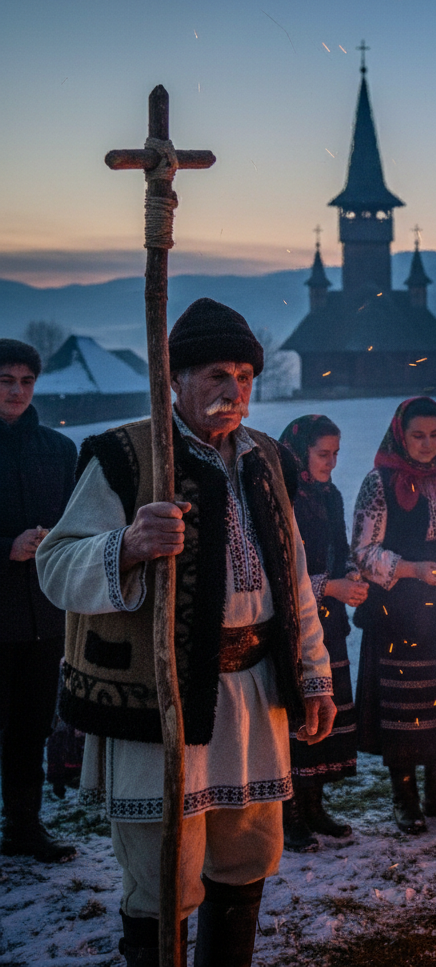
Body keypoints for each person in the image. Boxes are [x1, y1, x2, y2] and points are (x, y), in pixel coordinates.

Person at [36, 299, 335, 967]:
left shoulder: (269, 459)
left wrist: (314, 676)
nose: (235, 391)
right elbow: (55, 566)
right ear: (175, 379)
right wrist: (128, 544)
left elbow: (294, 579)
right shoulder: (125, 455)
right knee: (165, 875)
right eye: (216, 377)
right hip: (161, 704)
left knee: (247, 859)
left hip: (254, 696)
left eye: (245, 376)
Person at [351, 396, 436, 835]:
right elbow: (363, 550)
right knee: (404, 707)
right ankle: (404, 798)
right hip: (399, 610)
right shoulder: (379, 482)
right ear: (400, 434)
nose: (428, 444)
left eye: (435, 435)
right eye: (418, 435)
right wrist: (412, 570)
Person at [0, 339, 78, 863]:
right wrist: (6, 547)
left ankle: (23, 828)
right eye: (6, 380)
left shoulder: (58, 450)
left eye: (26, 381)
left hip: (44, 616)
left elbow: (78, 524)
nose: (18, 391)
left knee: (30, 727)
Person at [278, 414, 369, 853]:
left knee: (324, 715)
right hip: (292, 623)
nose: (331, 463)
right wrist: (328, 586)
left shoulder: (330, 495)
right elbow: (277, 569)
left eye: (336, 454)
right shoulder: (283, 496)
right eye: (322, 454)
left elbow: (340, 543)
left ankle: (314, 806)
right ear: (299, 452)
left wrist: (350, 574)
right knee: (297, 717)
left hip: (328, 623)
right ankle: (287, 814)